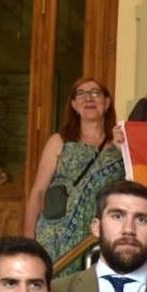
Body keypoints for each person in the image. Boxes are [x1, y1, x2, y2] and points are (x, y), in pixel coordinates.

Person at [25, 76, 125, 262]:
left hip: (99, 238)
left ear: (107, 103)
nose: (88, 98)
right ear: (74, 105)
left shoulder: (120, 145)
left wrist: (124, 149)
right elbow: (38, 192)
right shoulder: (60, 141)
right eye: (81, 94)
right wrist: (28, 242)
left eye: (95, 93)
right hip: (55, 237)